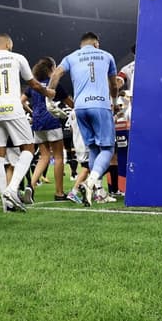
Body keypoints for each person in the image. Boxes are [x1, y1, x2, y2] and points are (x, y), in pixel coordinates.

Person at [0, 34, 54, 212]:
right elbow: (33, 84)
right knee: (28, 148)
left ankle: (5, 203)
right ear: (8, 43)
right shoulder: (17, 57)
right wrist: (48, 93)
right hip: (13, 108)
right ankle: (12, 189)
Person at [48, 32, 118, 206]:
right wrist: (114, 101)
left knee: (94, 148)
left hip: (79, 108)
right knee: (108, 149)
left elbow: (56, 74)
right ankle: (89, 182)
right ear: (96, 44)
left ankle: (97, 193)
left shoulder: (71, 57)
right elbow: (114, 84)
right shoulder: (107, 55)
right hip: (100, 105)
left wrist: (48, 98)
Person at [25, 57, 73, 201]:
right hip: (52, 121)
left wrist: (32, 112)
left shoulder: (33, 85)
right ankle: (59, 192)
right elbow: (70, 103)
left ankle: (31, 186)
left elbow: (22, 100)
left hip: (38, 122)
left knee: (43, 156)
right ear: (51, 69)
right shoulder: (55, 84)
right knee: (58, 157)